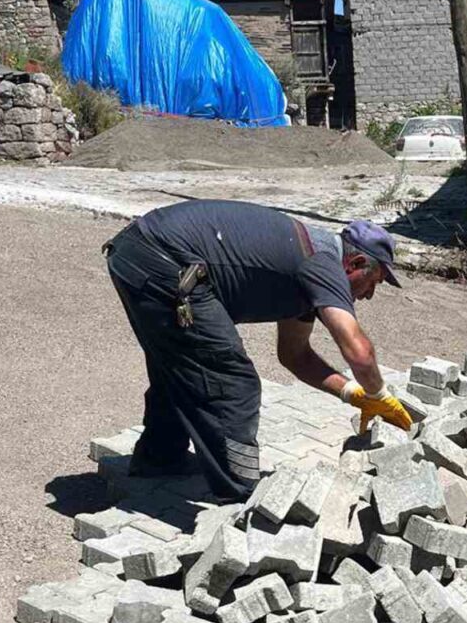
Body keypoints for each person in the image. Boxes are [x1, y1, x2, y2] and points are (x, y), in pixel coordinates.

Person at [103, 199, 412, 502]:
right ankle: (238, 493)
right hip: (163, 259)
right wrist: (380, 396)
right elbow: (359, 352)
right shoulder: (323, 263)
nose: (370, 294)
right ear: (356, 264)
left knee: (183, 361)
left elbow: (294, 355)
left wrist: (352, 393)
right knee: (233, 382)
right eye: (374, 282)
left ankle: (160, 459)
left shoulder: (304, 270)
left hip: (140, 251)